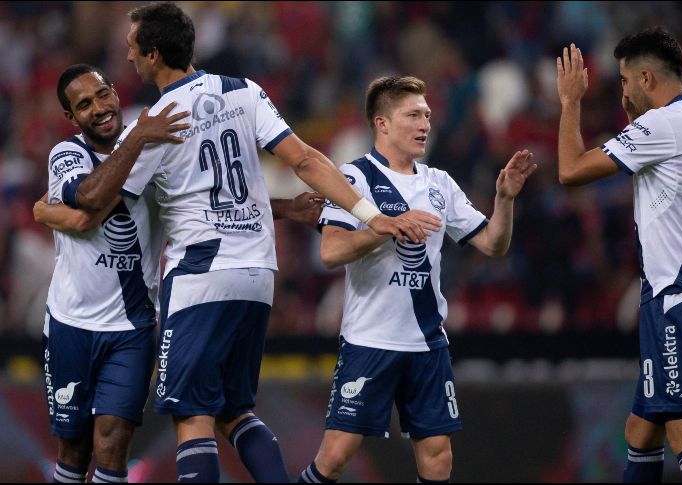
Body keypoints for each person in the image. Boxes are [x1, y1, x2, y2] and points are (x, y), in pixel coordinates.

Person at [63, 3, 441, 483]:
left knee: (193, 415)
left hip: (200, 277)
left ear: (154, 54)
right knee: (236, 409)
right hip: (258, 275)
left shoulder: (152, 123)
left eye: (134, 50)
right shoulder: (243, 91)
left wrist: (52, 204)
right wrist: (369, 213)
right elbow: (304, 160)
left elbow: (97, 202)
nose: (130, 59)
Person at [36, 63, 326, 484]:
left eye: (102, 94)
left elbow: (204, 198)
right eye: (84, 105)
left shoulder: (151, 145)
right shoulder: (69, 154)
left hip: (132, 326)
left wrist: (284, 207)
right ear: (72, 118)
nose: (98, 108)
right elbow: (87, 212)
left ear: (114, 91)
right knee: (73, 449)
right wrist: (47, 207)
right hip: (70, 322)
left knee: (112, 441)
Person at [298, 76, 536, 484]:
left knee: (438, 456)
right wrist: (385, 226)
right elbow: (331, 251)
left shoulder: (439, 183)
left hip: (427, 342)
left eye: (427, 115)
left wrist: (505, 199)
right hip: (370, 340)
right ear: (382, 123)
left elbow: (493, 245)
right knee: (335, 456)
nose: (425, 123)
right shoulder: (353, 178)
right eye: (413, 115)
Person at [556, 28, 682, 483]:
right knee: (641, 431)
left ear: (648, 78)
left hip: (676, 298)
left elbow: (570, 169)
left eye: (625, 81)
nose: (624, 92)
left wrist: (571, 101)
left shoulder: (663, 125)